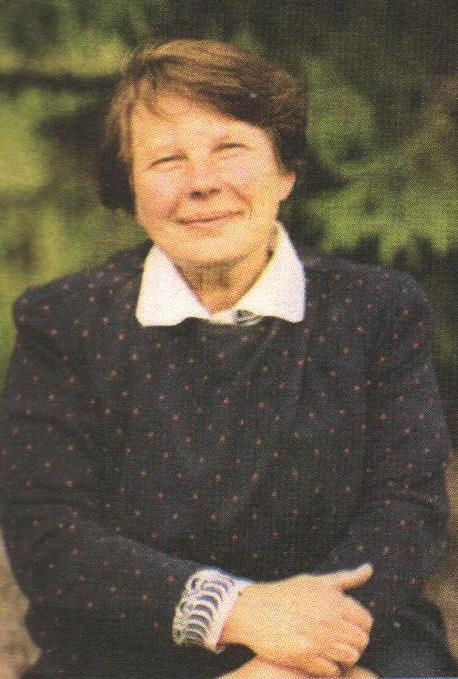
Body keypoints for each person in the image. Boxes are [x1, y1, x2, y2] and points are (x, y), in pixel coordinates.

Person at [0, 39, 456, 679]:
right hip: (125, 654)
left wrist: (293, 657)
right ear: (129, 185)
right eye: (167, 160)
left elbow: (408, 513)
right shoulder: (64, 324)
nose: (201, 183)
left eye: (230, 150)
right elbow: (50, 536)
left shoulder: (378, 310)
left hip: (356, 639)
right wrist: (232, 611)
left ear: (286, 171)